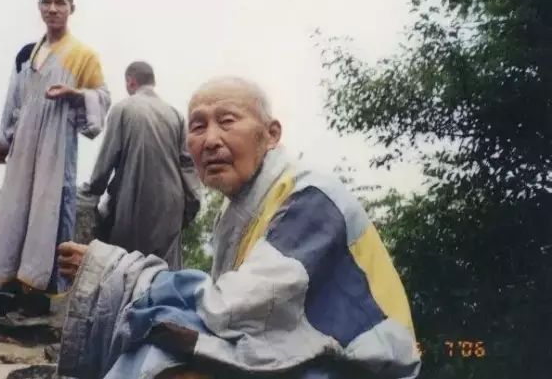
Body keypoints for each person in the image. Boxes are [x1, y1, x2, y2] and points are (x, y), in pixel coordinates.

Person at [56, 77, 420, 379]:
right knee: (158, 347)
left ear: (271, 134)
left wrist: (117, 270)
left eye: (227, 121)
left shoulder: (310, 197)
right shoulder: (236, 215)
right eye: (198, 126)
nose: (210, 140)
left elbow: (231, 310)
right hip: (304, 359)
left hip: (360, 369)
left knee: (161, 352)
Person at [0, 0, 110, 294]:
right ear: (39, 6)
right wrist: (3, 140)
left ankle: (51, 287)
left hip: (57, 143)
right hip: (24, 144)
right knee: (16, 205)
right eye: (46, 2)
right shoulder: (27, 54)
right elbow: (15, 100)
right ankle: (12, 281)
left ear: (71, 8)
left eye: (59, 3)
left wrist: (75, 94)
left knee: (53, 205)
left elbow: (102, 97)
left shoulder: (83, 55)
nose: (52, 9)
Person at [78, 61, 200, 270]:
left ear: (130, 81)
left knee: (126, 271)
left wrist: (90, 193)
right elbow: (188, 166)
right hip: (170, 208)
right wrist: (190, 208)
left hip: (133, 201)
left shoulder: (123, 108)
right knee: (166, 274)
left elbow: (106, 161)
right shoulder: (175, 115)